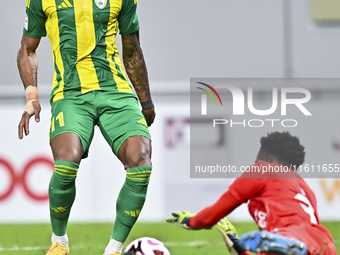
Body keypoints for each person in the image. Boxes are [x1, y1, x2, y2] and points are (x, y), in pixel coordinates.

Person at [17, 0, 155, 255]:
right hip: (70, 94)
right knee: (66, 163)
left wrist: (145, 101)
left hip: (116, 93)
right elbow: (27, 48)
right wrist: (31, 96)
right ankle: (60, 242)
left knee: (141, 164)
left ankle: (114, 249)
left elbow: (132, 48)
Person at [166, 132, 337, 255]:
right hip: (323, 244)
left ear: (269, 159)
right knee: (275, 243)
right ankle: (293, 247)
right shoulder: (304, 187)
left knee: (277, 241)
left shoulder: (262, 170)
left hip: (288, 236)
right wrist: (233, 242)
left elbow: (212, 215)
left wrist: (191, 221)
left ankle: (292, 246)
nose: (256, 162)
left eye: (259, 157)